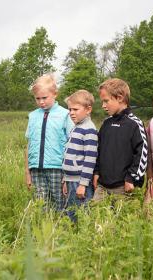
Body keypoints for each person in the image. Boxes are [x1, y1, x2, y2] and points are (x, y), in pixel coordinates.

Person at [93, 78, 148, 201]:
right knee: (97, 216)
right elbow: (99, 150)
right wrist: (96, 172)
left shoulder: (135, 124)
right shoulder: (106, 123)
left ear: (120, 98)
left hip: (124, 187)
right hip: (102, 185)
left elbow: (142, 153)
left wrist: (131, 178)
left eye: (106, 101)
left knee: (122, 219)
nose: (103, 106)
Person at [25, 74, 73, 211]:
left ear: (55, 94)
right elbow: (29, 145)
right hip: (36, 169)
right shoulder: (33, 116)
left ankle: (61, 230)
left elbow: (71, 145)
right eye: (37, 98)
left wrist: (67, 173)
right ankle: (43, 230)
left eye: (44, 98)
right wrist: (27, 172)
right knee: (41, 205)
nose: (41, 102)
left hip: (57, 168)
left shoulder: (65, 115)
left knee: (61, 203)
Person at [62, 90, 98, 221]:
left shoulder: (89, 130)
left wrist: (83, 184)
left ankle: (84, 238)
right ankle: (72, 237)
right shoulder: (76, 127)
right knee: (71, 212)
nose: (71, 113)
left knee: (82, 214)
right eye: (70, 109)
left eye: (75, 109)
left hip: (80, 181)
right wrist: (65, 179)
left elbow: (90, 159)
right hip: (71, 179)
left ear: (88, 109)